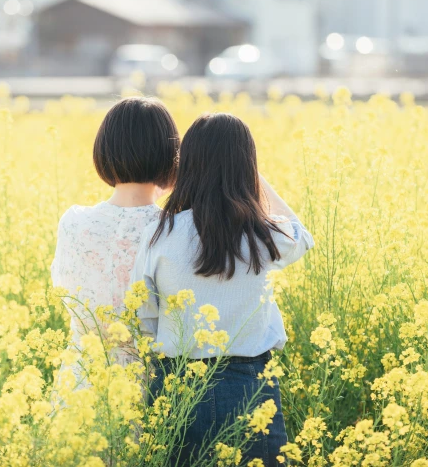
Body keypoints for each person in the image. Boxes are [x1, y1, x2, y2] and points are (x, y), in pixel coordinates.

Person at [132, 112, 314, 466]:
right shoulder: (264, 234)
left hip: (177, 385)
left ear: (186, 166)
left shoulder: (160, 233)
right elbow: (302, 236)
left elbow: (145, 313)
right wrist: (255, 179)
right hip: (249, 386)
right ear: (245, 167)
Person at [51, 96, 180, 383]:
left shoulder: (73, 222)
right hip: (148, 385)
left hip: (80, 378)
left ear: (104, 150)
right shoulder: (173, 228)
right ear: (171, 154)